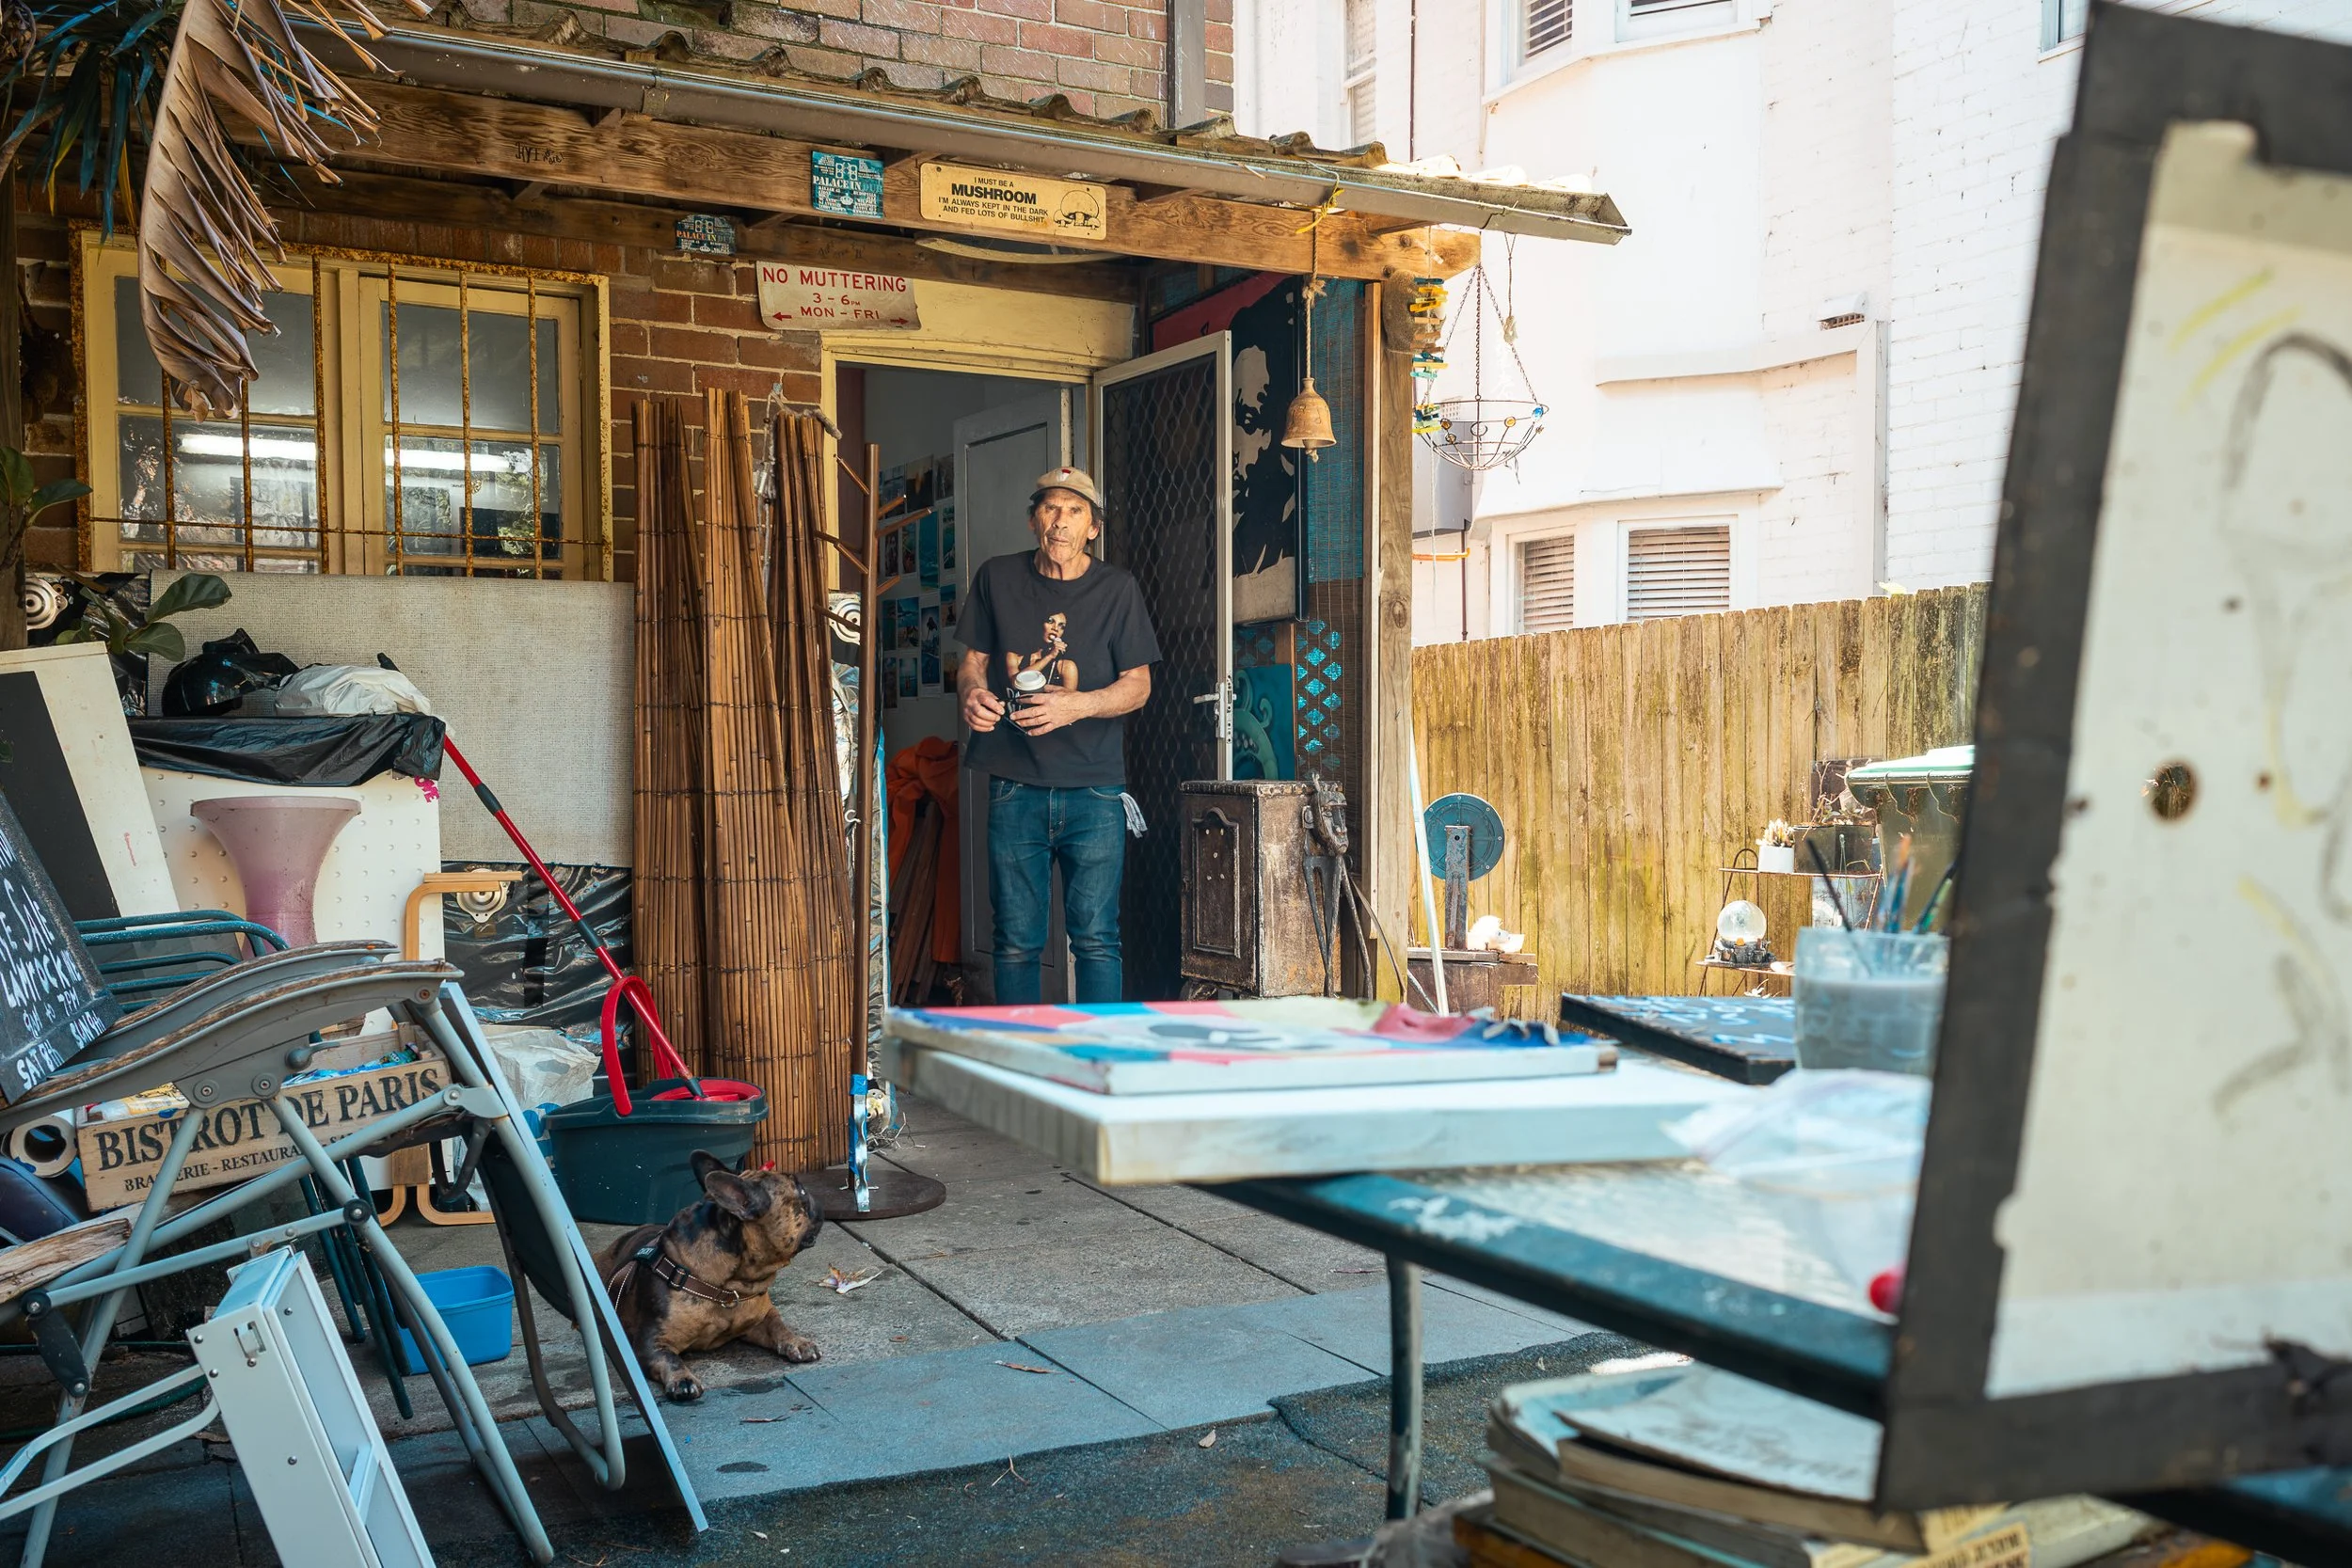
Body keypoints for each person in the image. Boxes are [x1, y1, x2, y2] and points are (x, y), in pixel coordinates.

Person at [957, 467, 1160, 1004]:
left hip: (1094, 789)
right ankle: (1024, 1066)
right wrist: (972, 694)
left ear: (1093, 527)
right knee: (1016, 942)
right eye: (1050, 509)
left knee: (1096, 940)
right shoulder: (997, 578)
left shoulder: (1117, 589)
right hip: (1013, 784)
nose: (1060, 522)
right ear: (1032, 521)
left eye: (1074, 511)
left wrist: (1079, 706)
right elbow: (972, 663)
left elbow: (1138, 686)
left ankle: (1098, 1066)